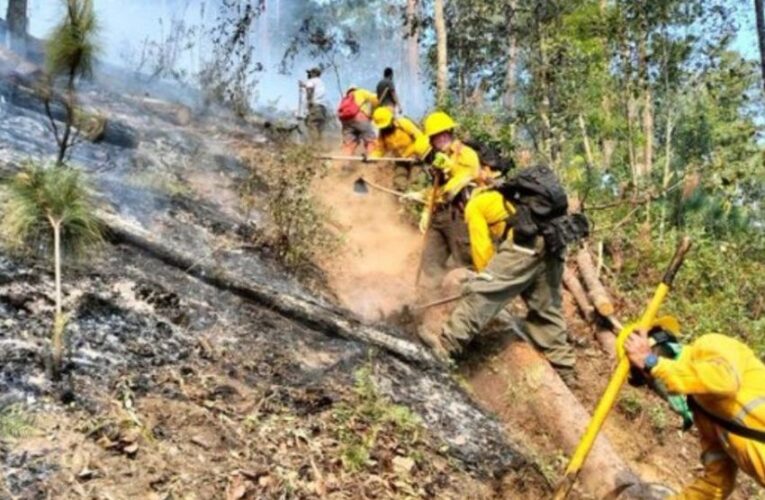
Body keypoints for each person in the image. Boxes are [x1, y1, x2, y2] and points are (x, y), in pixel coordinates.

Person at [624, 325, 765, 498]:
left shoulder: (710, 345)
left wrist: (652, 363)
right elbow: (716, 484)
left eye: (644, 375)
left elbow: (724, 381)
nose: (652, 383)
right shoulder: (703, 414)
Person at [406, 111, 482, 292]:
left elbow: (470, 175)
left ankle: (468, 303)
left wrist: (450, 167)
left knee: (464, 261)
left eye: (443, 134)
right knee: (430, 261)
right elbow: (437, 191)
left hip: (458, 213)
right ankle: (430, 302)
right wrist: (424, 200)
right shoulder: (437, 161)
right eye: (435, 137)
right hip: (439, 215)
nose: (440, 140)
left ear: (449, 132)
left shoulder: (465, 153)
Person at [369, 107, 426, 190]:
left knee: (416, 179)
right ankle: (402, 198)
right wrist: (372, 157)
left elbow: (420, 138)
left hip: (415, 157)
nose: (385, 127)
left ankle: (415, 196)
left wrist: (417, 152)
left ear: (391, 119)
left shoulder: (403, 123)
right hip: (400, 159)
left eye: (386, 124)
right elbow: (380, 150)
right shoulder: (383, 134)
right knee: (399, 181)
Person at [337, 85, 379, 156]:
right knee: (370, 139)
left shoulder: (345, 99)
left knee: (349, 144)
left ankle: (344, 161)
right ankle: (372, 157)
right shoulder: (360, 92)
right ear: (355, 89)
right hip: (360, 119)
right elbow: (375, 99)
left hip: (346, 123)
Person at [299, 67, 328, 142]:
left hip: (315, 106)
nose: (308, 74)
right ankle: (321, 146)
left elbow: (310, 89)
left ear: (314, 74)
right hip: (323, 108)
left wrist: (309, 101)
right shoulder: (321, 82)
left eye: (310, 73)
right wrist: (303, 85)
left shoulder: (311, 80)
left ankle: (315, 147)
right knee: (319, 128)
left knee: (312, 125)